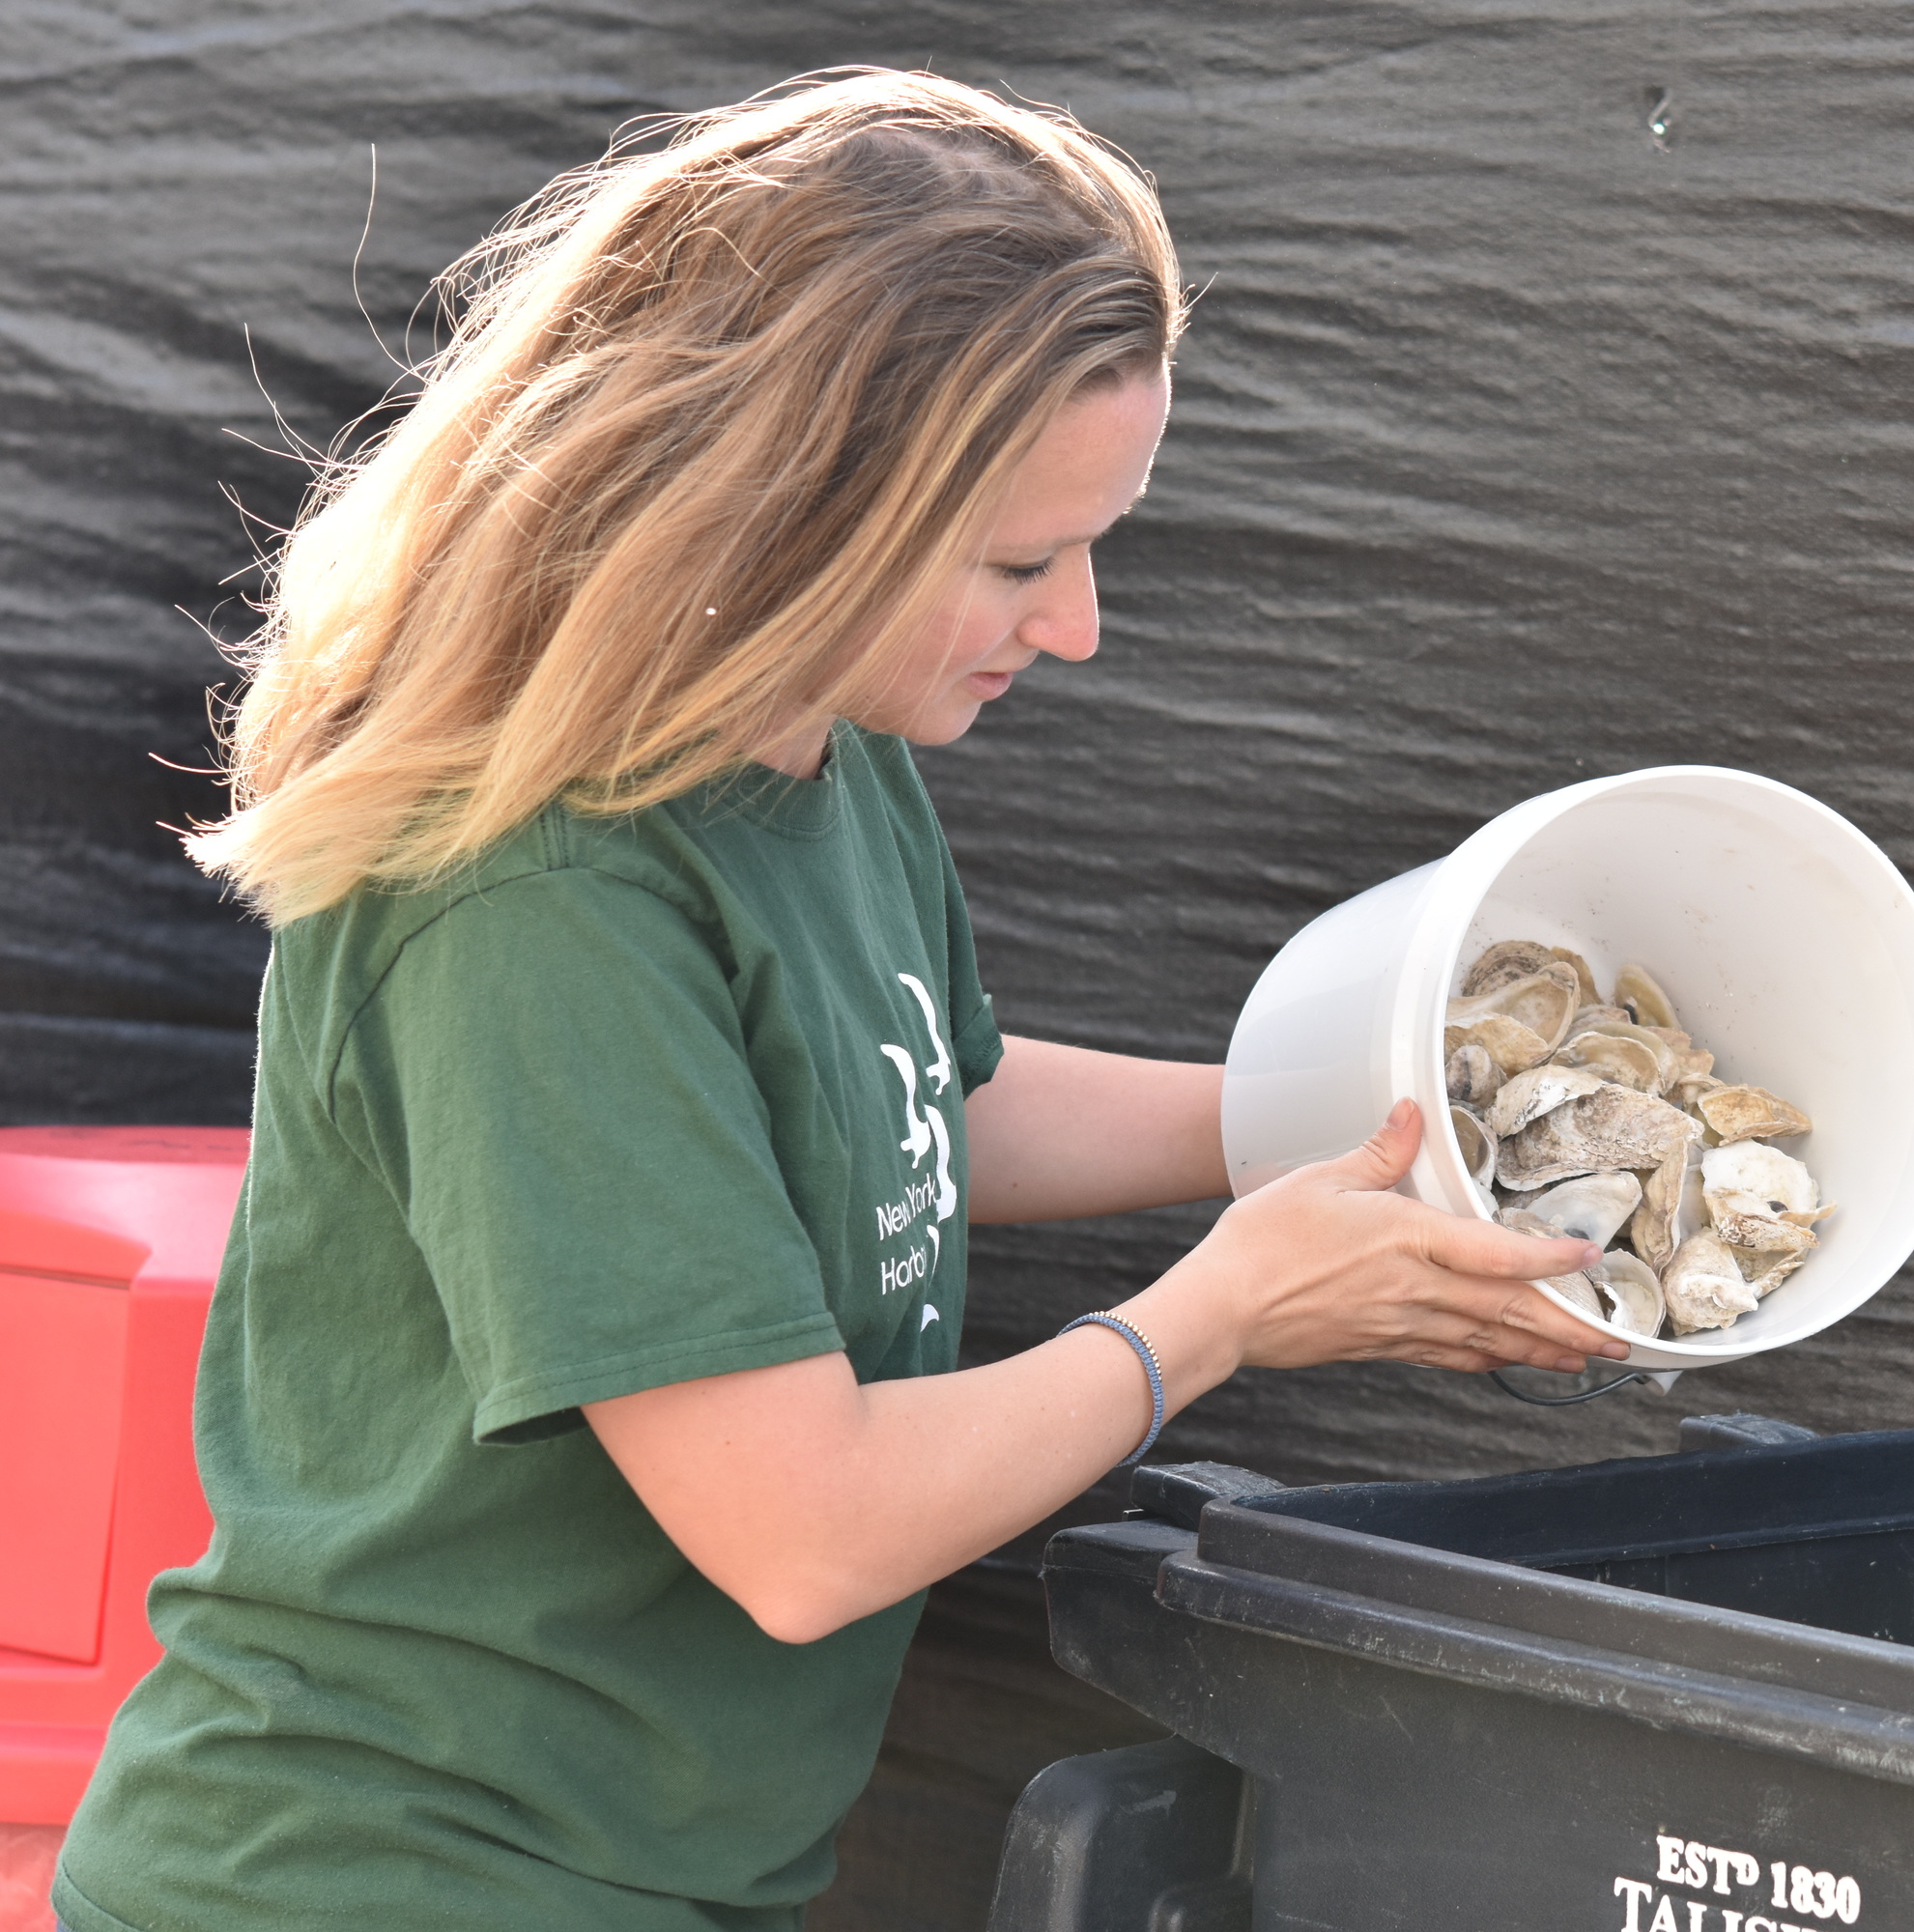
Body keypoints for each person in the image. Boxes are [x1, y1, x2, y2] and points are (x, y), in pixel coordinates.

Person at [50, 69, 1614, 1932]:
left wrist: (1377, 1138)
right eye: (1020, 561)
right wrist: (1219, 1316)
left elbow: (912, 1108)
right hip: (382, 1882)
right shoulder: (533, 895)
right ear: (790, 507)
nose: (1082, 625)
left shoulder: (812, 751)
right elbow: (805, 1533)